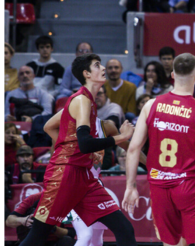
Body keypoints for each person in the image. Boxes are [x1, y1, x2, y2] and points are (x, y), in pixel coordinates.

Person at [122, 53, 195, 246]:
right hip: (190, 187)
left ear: (172, 74)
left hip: (160, 187)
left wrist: (131, 186)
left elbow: (133, 148)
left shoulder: (151, 105)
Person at [18, 53, 137, 246]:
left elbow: (50, 126)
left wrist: (73, 148)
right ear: (87, 74)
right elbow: (85, 143)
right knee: (38, 235)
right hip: (64, 174)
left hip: (85, 176)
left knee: (124, 229)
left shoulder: (87, 102)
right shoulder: (81, 100)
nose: (104, 68)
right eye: (98, 65)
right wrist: (120, 137)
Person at [42, 112, 146, 246]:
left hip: (93, 185)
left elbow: (131, 149)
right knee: (85, 236)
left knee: (100, 235)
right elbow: (56, 156)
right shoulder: (66, 128)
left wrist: (151, 164)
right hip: (72, 184)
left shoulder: (106, 126)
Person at [6, 192, 76, 246]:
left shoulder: (66, 202)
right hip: (32, 237)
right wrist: (23, 220)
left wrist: (51, 227)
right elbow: (9, 221)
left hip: (55, 241)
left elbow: (71, 233)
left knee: (67, 240)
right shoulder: (34, 198)